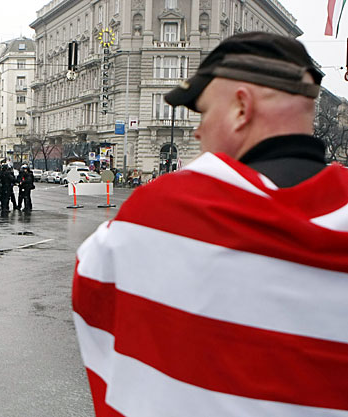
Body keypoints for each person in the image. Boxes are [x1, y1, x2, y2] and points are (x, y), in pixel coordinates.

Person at [72, 32, 348, 416]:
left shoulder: (160, 214)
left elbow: (96, 297)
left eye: (203, 112)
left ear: (241, 108)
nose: (199, 131)